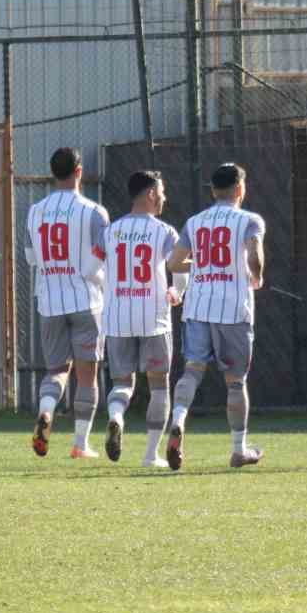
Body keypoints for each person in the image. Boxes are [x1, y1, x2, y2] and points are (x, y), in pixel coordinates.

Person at [165, 163, 267, 471]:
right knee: (236, 383)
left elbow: (173, 263)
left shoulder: (194, 222)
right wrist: (256, 275)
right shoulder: (250, 219)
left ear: (213, 190)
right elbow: (255, 253)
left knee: (191, 371)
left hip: (197, 307)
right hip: (233, 309)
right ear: (240, 189)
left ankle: (178, 420)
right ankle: (239, 449)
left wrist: (201, 266)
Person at [24, 147, 111, 459]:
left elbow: (31, 258)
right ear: (79, 171)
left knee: (57, 370)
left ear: (52, 172)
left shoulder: (35, 211)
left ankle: (46, 411)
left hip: (49, 301)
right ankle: (80, 444)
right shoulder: (94, 212)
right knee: (87, 376)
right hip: (87, 300)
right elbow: (103, 255)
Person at [101, 169, 188, 469]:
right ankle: (151, 454)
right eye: (161, 191)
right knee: (159, 386)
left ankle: (115, 417)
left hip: (118, 316)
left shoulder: (110, 231)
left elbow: (98, 267)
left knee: (122, 383)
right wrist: (177, 291)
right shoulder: (164, 232)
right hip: (153, 316)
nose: (164, 197)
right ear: (151, 194)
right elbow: (180, 267)